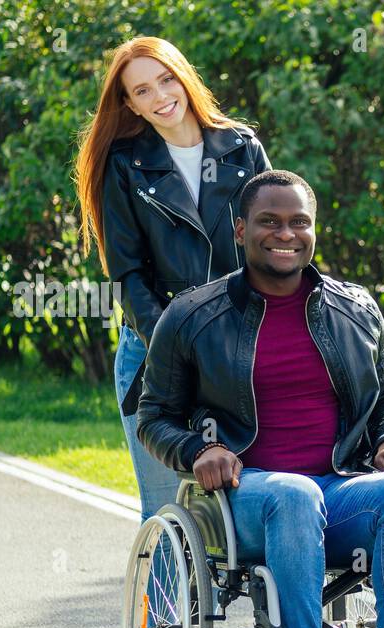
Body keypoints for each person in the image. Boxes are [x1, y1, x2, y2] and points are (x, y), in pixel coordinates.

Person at [136, 169, 384, 628]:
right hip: (243, 500)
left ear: (314, 231)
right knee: (294, 493)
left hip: (338, 488)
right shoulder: (192, 316)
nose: (286, 233)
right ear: (239, 231)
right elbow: (154, 416)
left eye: (299, 222)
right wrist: (196, 452)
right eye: (269, 221)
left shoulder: (355, 308)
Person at [73, 35, 272, 523]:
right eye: (142, 91)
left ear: (184, 76)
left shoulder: (241, 148)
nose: (160, 96)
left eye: (166, 80)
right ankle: (163, 600)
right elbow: (126, 274)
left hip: (242, 352)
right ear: (128, 104)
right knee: (166, 516)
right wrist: (174, 341)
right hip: (155, 356)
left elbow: (275, 247)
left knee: (261, 499)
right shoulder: (124, 166)